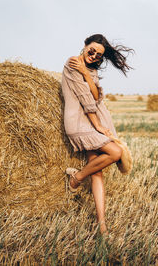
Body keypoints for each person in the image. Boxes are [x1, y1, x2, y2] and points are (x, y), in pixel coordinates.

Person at [61, 34, 133, 235]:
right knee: (115, 152)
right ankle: (76, 178)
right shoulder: (72, 63)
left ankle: (102, 225)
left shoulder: (87, 68)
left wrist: (86, 72)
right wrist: (98, 126)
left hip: (91, 120)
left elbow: (96, 94)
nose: (93, 55)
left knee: (98, 174)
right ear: (84, 45)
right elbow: (87, 100)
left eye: (98, 54)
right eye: (91, 50)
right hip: (80, 121)